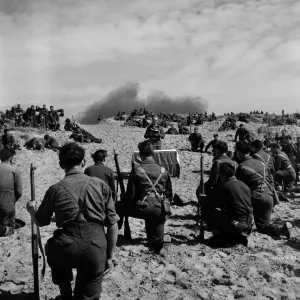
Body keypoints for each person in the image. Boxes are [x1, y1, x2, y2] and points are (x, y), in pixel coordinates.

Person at [26, 143, 119, 300]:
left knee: (51, 246)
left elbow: (41, 221)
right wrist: (109, 257)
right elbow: (112, 225)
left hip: (66, 248)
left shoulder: (54, 190)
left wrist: (31, 210)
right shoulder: (101, 186)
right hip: (96, 248)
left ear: (61, 164)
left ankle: (65, 292)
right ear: (83, 162)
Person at [117, 140, 172, 253]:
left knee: (116, 206)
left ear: (140, 154)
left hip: (142, 207)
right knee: (154, 239)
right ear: (153, 153)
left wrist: (125, 201)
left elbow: (130, 195)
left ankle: (115, 233)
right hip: (159, 208)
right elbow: (169, 194)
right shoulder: (163, 170)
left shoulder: (137, 170)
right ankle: (161, 244)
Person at [235, 141, 293, 238]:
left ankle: (245, 229)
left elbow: (241, 189)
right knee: (264, 224)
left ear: (239, 152)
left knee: (257, 224)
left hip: (256, 197)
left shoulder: (242, 167)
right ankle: (283, 230)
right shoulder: (261, 163)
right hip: (268, 195)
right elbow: (271, 179)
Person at [200, 162, 253, 247]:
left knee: (206, 209)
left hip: (235, 225)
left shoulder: (224, 186)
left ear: (221, 174)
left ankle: (222, 236)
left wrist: (202, 198)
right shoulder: (244, 185)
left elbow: (211, 203)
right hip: (248, 224)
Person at [0, 149, 23, 237]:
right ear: (10, 159)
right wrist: (11, 201)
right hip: (7, 204)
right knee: (10, 228)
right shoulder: (14, 170)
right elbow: (19, 192)